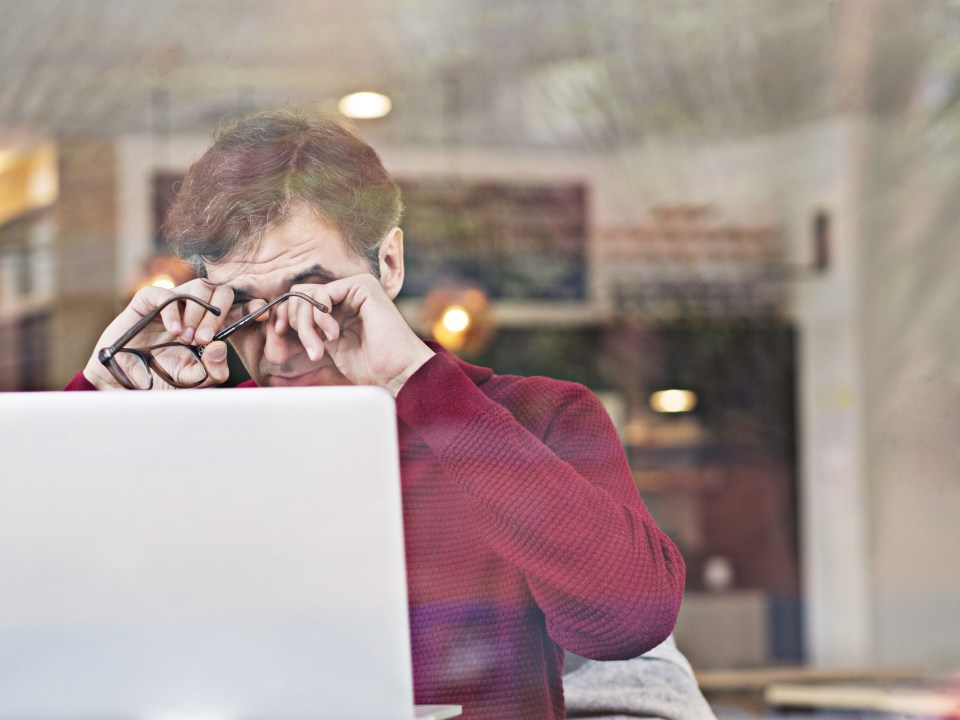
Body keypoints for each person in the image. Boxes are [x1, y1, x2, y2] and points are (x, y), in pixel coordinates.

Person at [65, 110, 686, 719]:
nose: (283, 346)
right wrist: (98, 394)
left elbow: (626, 623)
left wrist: (415, 382)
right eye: (246, 311)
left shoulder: (536, 419)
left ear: (387, 265)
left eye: (315, 298)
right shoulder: (195, 440)